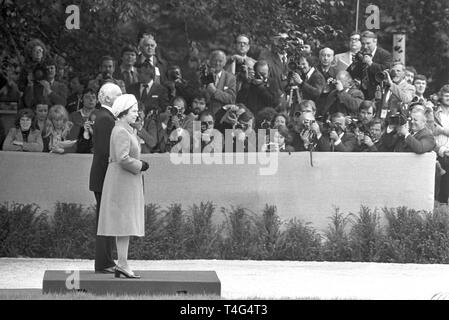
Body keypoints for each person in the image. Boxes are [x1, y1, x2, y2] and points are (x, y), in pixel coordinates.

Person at [97, 94, 148, 279]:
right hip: (122, 181)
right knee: (123, 223)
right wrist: (141, 165)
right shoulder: (120, 131)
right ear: (124, 112)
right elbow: (123, 158)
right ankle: (123, 264)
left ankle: (123, 264)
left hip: (125, 181)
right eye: (134, 111)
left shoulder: (126, 129)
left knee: (124, 225)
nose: (137, 114)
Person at [89, 82, 122, 273]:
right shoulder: (105, 118)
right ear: (108, 98)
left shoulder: (105, 116)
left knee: (107, 220)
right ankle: (104, 263)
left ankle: (106, 261)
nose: (121, 98)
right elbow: (104, 152)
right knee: (105, 221)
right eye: (118, 95)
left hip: (103, 176)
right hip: (104, 178)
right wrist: (111, 179)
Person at [348, 30, 392, 100]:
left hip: (378, 93)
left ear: (375, 41)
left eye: (368, 43)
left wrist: (371, 64)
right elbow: (350, 73)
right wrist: (354, 63)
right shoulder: (361, 54)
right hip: (361, 93)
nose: (365, 46)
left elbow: (386, 71)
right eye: (363, 43)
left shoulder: (385, 55)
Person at [204, 50, 237, 115]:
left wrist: (215, 92)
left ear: (224, 63)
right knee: (196, 125)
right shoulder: (204, 75)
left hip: (221, 116)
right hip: (203, 114)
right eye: (214, 60)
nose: (217, 63)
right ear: (210, 62)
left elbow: (231, 99)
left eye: (220, 61)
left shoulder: (231, 78)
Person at [67, 88, 99, 153]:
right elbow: (67, 135)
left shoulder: (101, 116)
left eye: (93, 97)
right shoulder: (73, 116)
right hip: (74, 152)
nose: (91, 100)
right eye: (87, 97)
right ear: (81, 100)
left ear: (97, 101)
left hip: (95, 152)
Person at [433, 85, 449, 203]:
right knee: (438, 187)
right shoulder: (434, 112)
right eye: (446, 95)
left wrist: (443, 130)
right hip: (439, 153)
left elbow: (439, 130)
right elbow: (430, 130)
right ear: (440, 96)